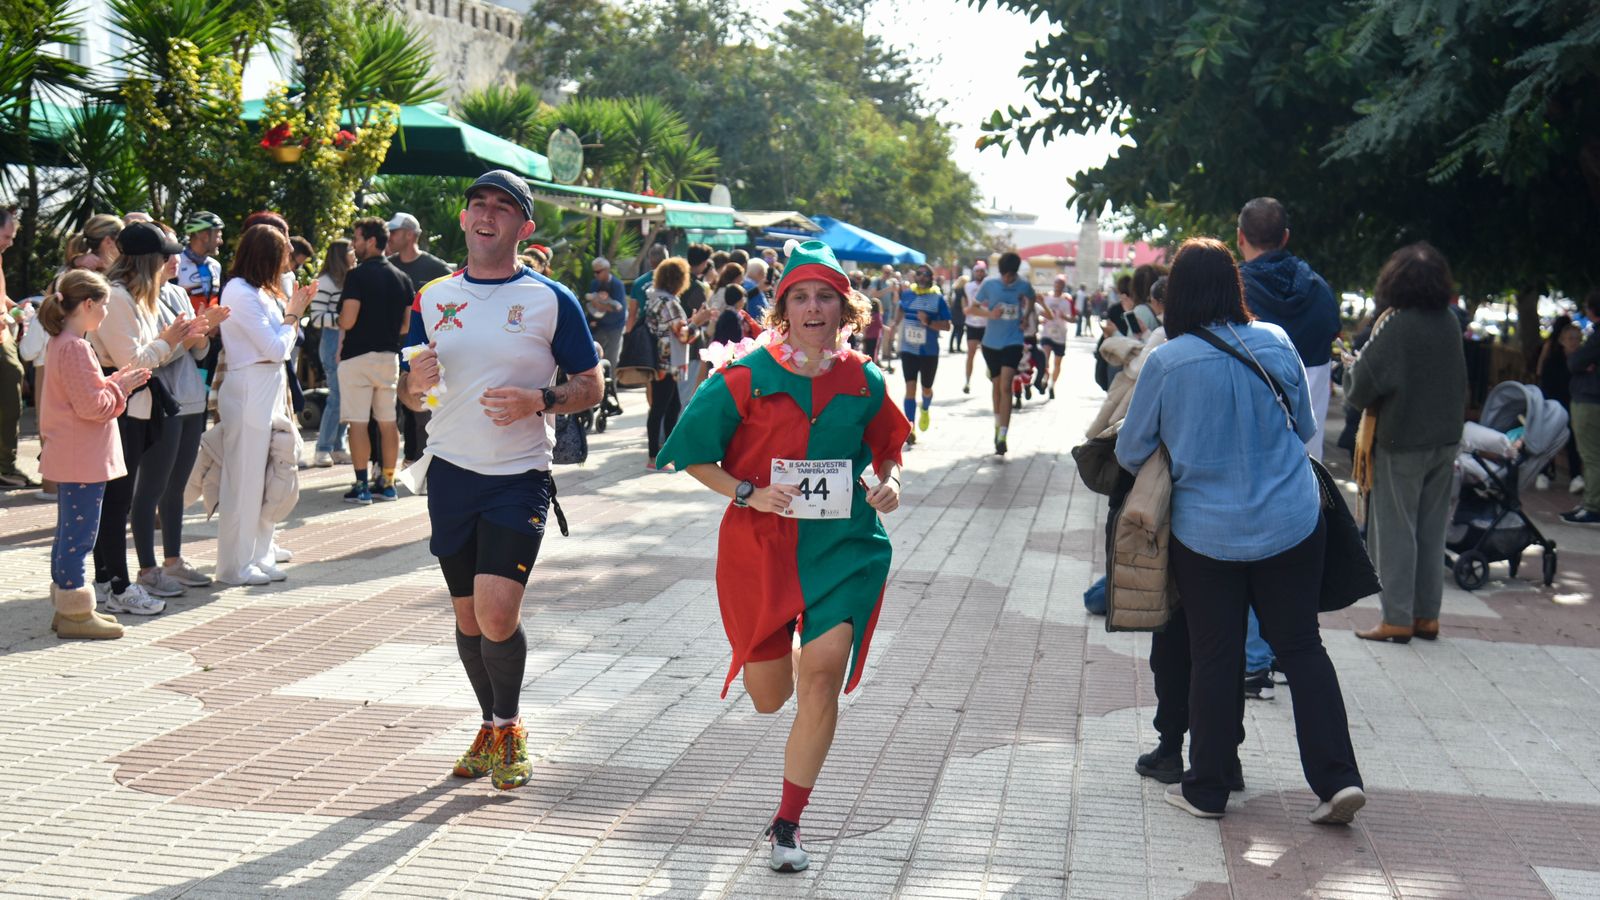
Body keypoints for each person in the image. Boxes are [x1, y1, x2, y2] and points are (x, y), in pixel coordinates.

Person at [655, 239, 909, 873]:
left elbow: (889, 448)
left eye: (826, 296)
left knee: (821, 677)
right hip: (760, 550)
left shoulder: (864, 379)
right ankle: (789, 641)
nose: (813, 307)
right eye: (801, 296)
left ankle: (789, 821)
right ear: (783, 308)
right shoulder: (745, 376)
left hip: (845, 547)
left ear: (845, 310)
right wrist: (749, 491)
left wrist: (890, 483)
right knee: (769, 697)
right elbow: (691, 455)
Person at [1117, 236, 1365, 825]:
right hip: (1292, 520)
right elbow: (1305, 424)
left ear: (1176, 295)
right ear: (1234, 286)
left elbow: (1131, 451)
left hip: (1207, 532)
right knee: (1301, 646)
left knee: (1214, 653)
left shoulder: (1166, 360)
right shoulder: (1276, 342)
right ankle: (1338, 781)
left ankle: (1208, 788)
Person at [400, 171, 600, 792]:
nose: (488, 215)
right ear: (463, 219)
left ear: (524, 227)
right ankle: (488, 726)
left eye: (503, 208)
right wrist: (413, 384)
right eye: (478, 204)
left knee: (494, 613)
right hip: (451, 473)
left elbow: (591, 385)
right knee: (467, 619)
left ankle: (509, 726)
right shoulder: (430, 296)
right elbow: (414, 393)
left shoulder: (551, 300)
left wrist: (537, 400)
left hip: (518, 477)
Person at [1344, 244, 1470, 641]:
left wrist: (1351, 368)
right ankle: (1426, 616)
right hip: (1445, 438)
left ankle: (1397, 616)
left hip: (1401, 440)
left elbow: (1360, 386)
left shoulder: (1397, 324)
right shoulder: (1449, 320)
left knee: (1395, 532)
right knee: (1432, 532)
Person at [90, 223, 209, 614]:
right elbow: (132, 363)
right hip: (120, 411)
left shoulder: (135, 297)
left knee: (118, 501)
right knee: (115, 502)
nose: (170, 263)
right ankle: (117, 585)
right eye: (164, 256)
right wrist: (172, 337)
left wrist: (172, 338)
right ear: (149, 262)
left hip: (138, 409)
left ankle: (110, 582)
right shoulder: (118, 298)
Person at [38, 270, 152, 639]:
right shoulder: (74, 346)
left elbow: (83, 396)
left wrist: (115, 382)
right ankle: (75, 613)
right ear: (87, 304)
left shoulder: (64, 342)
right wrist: (120, 390)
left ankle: (67, 608)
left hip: (76, 454)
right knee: (79, 536)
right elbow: (92, 407)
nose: (105, 312)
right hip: (81, 456)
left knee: (70, 533)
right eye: (103, 304)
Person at [216, 224, 314, 586]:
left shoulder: (262, 292)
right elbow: (276, 347)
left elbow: (280, 345)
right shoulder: (239, 292)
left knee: (270, 474)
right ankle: (235, 566)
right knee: (244, 480)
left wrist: (290, 313)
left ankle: (259, 553)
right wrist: (293, 315)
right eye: (283, 255)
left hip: (268, 385)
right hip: (248, 386)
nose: (289, 261)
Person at [1237, 197, 1341, 460]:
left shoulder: (1231, 294)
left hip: (1245, 460)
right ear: (1285, 237)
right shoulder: (1319, 290)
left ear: (1240, 237)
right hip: (1306, 463)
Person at [337, 217, 414, 504]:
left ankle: (361, 485)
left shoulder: (356, 276)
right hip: (388, 356)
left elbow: (348, 319)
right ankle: (388, 482)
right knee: (387, 421)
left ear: (371, 241)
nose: (354, 245)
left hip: (357, 357)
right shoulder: (402, 278)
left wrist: (337, 318)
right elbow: (406, 325)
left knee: (357, 423)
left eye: (357, 238)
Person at [387, 213, 456, 464]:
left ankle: (423, 460)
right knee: (397, 407)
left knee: (424, 407)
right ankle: (407, 459)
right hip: (391, 346)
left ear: (409, 234)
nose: (390, 237)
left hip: (424, 346)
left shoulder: (437, 269)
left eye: (394, 232)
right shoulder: (388, 266)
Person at [643, 257, 711, 468]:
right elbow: (682, 335)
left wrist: (691, 322)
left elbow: (674, 330)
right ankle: (655, 457)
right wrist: (697, 323)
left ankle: (664, 454)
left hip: (662, 360)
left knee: (671, 406)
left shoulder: (655, 298)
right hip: (668, 362)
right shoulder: (669, 302)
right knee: (662, 407)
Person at [968, 252, 1036, 455]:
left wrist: (1025, 316)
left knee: (1006, 385)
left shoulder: (1023, 285)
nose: (1007, 279)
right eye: (1005, 275)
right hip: (990, 343)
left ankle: (1003, 436)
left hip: (1013, 341)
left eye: (1011, 275)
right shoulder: (989, 284)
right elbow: (972, 309)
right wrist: (990, 314)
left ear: (1015, 273)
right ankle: (997, 426)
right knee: (997, 386)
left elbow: (1032, 299)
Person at [308, 239, 355, 467]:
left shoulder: (350, 279)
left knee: (345, 397)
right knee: (337, 397)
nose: (354, 253)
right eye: (350, 250)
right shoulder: (325, 282)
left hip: (348, 341)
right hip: (332, 340)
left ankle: (338, 446)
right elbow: (316, 318)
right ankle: (322, 448)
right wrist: (344, 320)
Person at [897, 264, 950, 445]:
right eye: (918, 273)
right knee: (910, 388)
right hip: (908, 349)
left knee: (926, 388)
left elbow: (947, 326)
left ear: (931, 277)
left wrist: (928, 322)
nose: (921, 277)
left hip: (929, 351)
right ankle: (909, 427)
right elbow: (900, 310)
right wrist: (890, 328)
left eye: (925, 274)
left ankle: (925, 409)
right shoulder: (906, 295)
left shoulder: (938, 299)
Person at [1536, 317, 1582, 492]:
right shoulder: (1553, 359)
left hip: (1574, 403)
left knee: (1574, 441)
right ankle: (1543, 472)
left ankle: (1576, 475)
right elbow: (1546, 381)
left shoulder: (1583, 360)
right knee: (1550, 437)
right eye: (1570, 338)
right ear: (1562, 341)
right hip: (1555, 403)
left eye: (1576, 339)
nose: (1573, 342)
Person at [0, 207, 28, 487]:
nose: (9, 242)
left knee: (12, 392)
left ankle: (5, 465)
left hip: (3, 338)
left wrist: (13, 307)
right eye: (6, 236)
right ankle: (5, 467)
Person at [1567, 291, 1600, 526]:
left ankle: (1592, 505)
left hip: (1590, 399)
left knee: (1590, 455)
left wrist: (1582, 362)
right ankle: (1590, 501)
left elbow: (1575, 362)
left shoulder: (1597, 336)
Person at [585, 257, 627, 371]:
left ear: (607, 270)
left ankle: (611, 386)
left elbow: (619, 309)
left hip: (615, 327)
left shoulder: (617, 285)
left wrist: (600, 305)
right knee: (595, 357)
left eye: (598, 272)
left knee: (612, 359)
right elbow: (591, 303)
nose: (595, 275)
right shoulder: (594, 284)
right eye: (594, 272)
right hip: (599, 326)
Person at [1040, 276, 1073, 399]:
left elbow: (1073, 319)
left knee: (1057, 363)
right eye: (1056, 283)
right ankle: (1044, 379)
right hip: (1047, 333)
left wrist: (1063, 316)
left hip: (1060, 336)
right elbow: (1041, 312)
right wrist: (1042, 319)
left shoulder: (1066, 301)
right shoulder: (1047, 298)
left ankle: (1052, 386)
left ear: (1063, 286)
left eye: (1061, 283)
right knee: (1045, 359)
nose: (1058, 285)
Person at [962, 261, 988, 392]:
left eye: (981, 271)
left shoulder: (989, 285)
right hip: (972, 323)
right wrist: (964, 309)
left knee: (988, 354)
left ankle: (991, 373)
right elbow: (963, 300)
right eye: (977, 271)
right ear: (974, 272)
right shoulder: (968, 286)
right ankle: (967, 382)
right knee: (971, 353)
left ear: (985, 272)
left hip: (986, 324)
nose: (979, 273)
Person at [948, 274, 968, 353]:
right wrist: (965, 311)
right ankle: (958, 347)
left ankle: (951, 347)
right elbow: (963, 302)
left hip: (954, 311)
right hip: (960, 312)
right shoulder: (963, 290)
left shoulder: (955, 289)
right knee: (960, 330)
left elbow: (951, 300)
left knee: (955, 330)